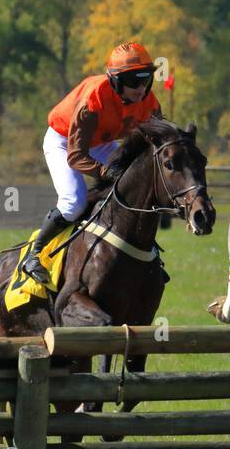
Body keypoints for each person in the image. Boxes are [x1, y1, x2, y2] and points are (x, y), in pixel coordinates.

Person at [18, 42, 162, 287]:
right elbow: (76, 156)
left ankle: (144, 251)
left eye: (146, 80)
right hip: (64, 141)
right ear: (116, 81)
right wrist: (105, 171)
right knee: (74, 202)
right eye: (133, 81)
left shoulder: (149, 102)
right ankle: (34, 254)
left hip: (100, 142)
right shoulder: (93, 100)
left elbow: (156, 143)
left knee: (135, 181)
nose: (141, 88)